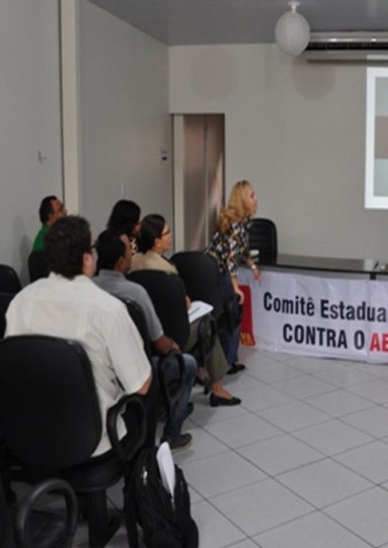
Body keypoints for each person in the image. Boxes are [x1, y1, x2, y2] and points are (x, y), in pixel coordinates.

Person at [6, 216, 152, 457]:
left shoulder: (20, 302)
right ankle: (141, 482)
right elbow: (142, 385)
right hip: (94, 440)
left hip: (33, 431)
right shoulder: (107, 308)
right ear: (86, 258)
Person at [93, 229, 196, 450]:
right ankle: (172, 435)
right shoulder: (135, 293)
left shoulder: (90, 288)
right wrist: (174, 346)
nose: (133, 252)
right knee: (188, 364)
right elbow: (159, 342)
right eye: (130, 250)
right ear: (121, 262)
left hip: (101, 371)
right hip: (138, 372)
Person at [131, 214, 242, 406]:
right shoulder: (167, 270)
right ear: (157, 242)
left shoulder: (133, 263)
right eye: (167, 233)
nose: (170, 236)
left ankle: (201, 371)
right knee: (208, 325)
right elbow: (182, 307)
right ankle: (217, 387)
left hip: (142, 335)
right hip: (170, 337)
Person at [208, 180, 262, 374]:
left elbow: (242, 249)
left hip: (218, 272)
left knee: (230, 315)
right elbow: (231, 259)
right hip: (218, 274)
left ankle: (229, 359)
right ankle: (227, 361)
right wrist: (236, 287)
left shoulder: (242, 222)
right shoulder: (235, 224)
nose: (256, 199)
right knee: (233, 314)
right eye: (252, 195)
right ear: (242, 200)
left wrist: (252, 266)